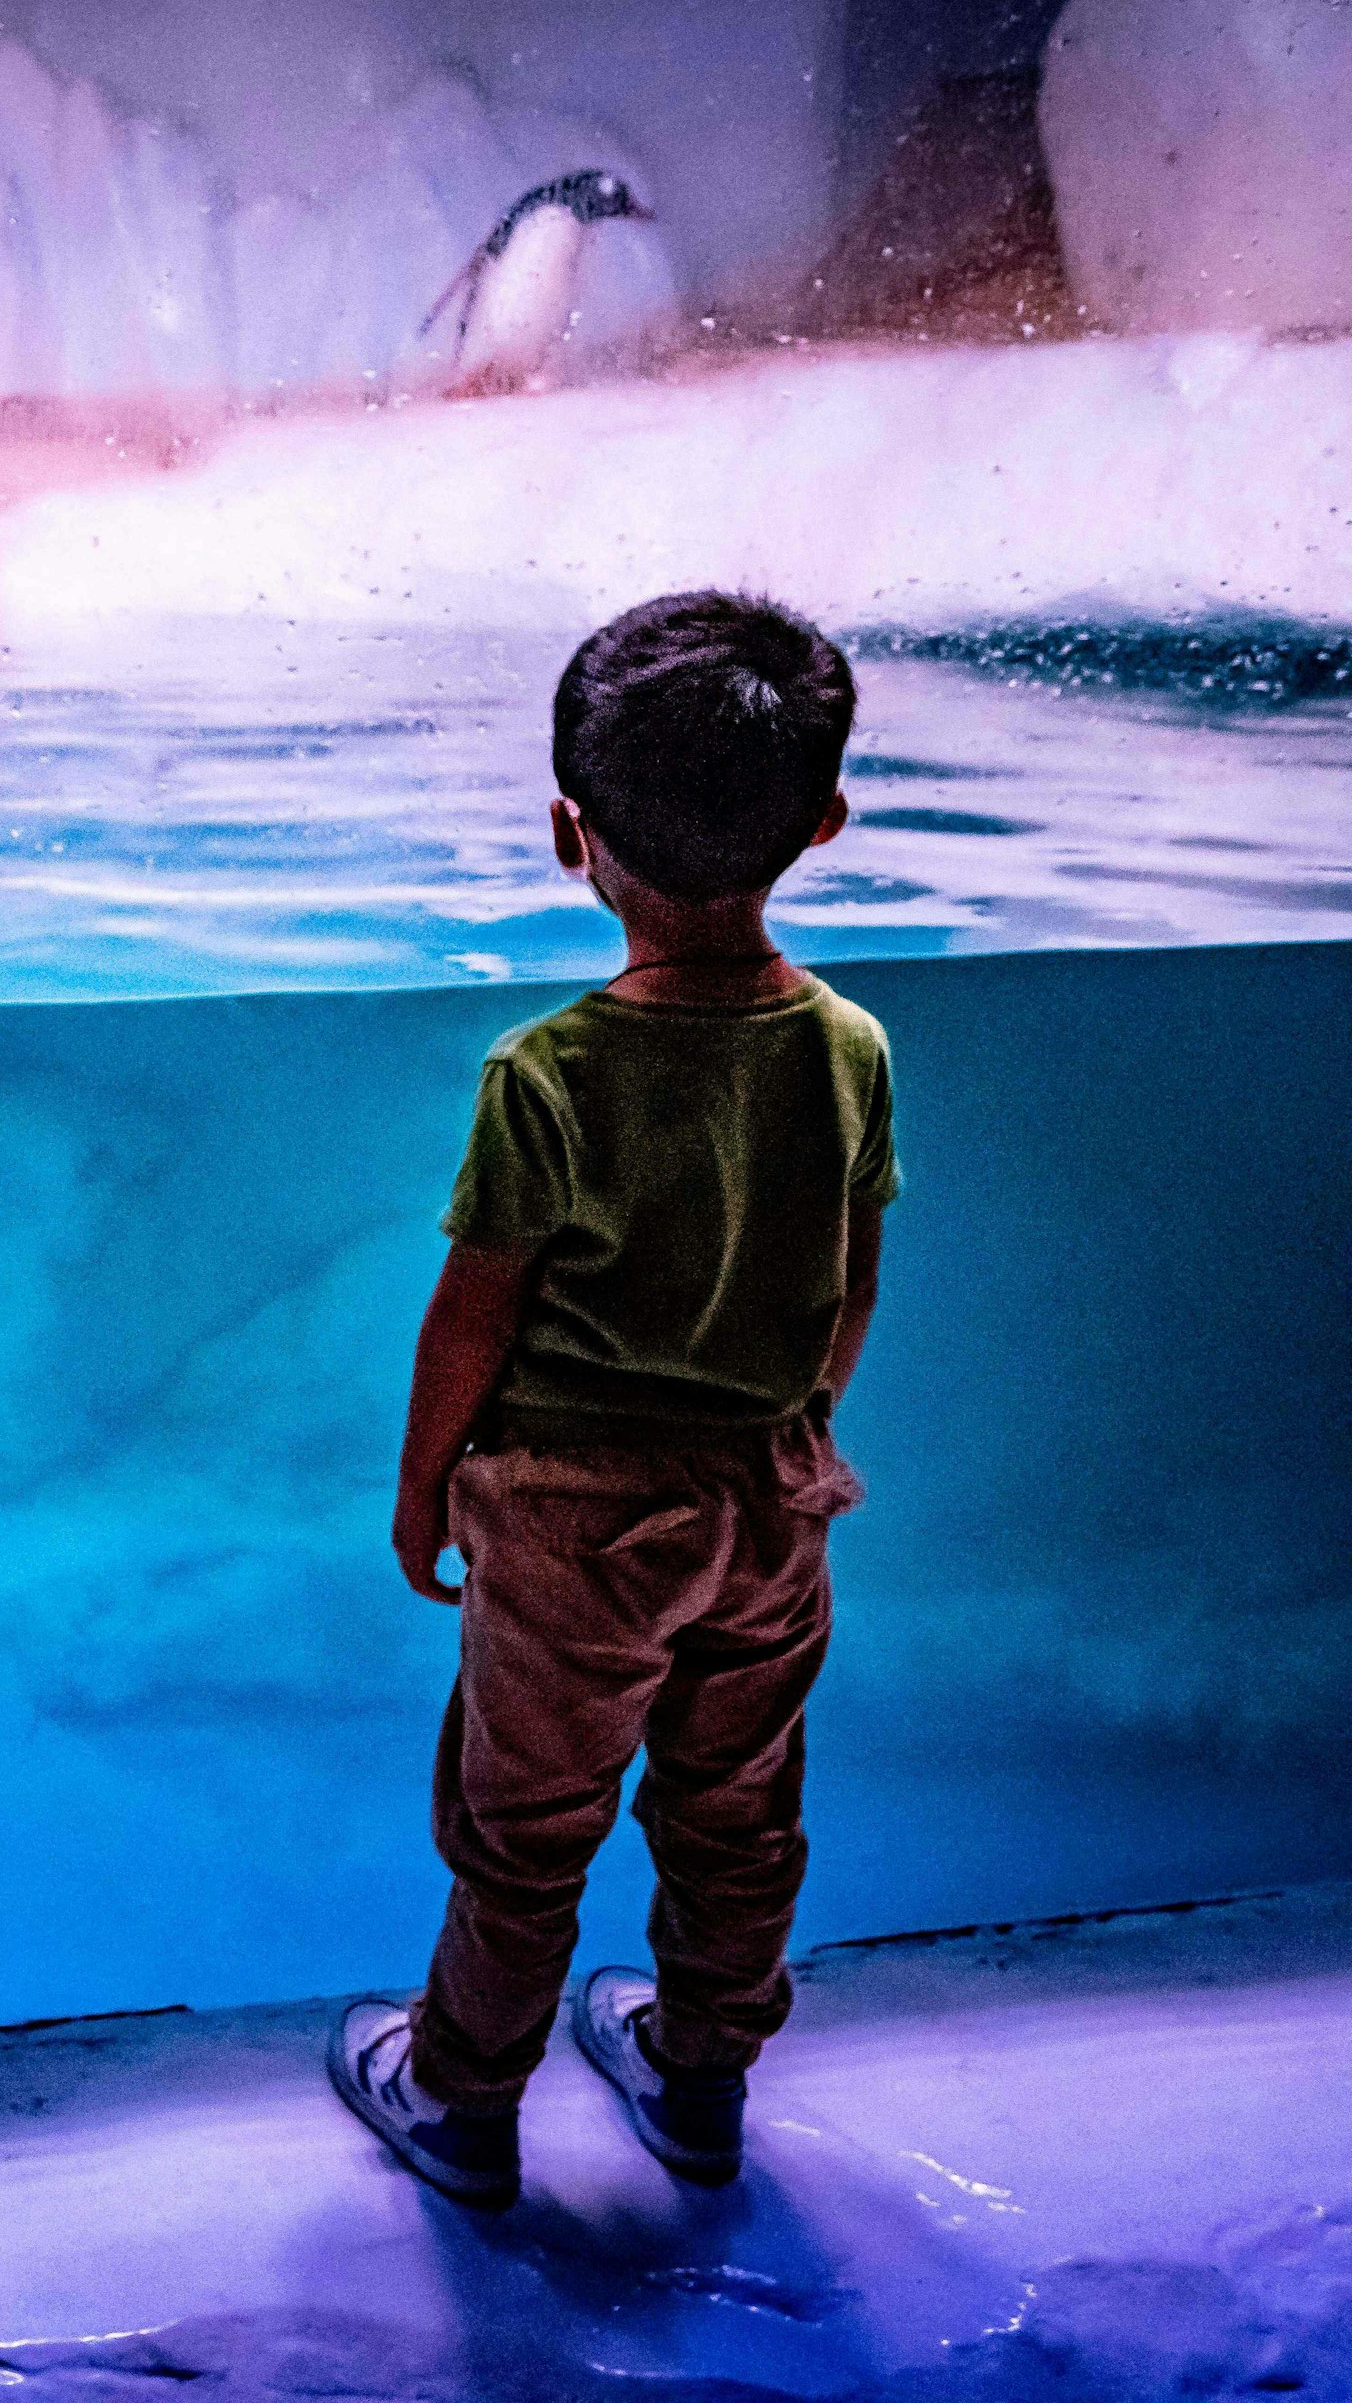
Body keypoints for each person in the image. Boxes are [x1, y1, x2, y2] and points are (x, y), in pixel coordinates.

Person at [327, 591, 899, 2209]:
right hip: (775, 1504)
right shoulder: (849, 1049)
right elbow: (848, 1280)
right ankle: (700, 2077)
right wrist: (798, 1433)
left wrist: (425, 1481)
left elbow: (473, 1314)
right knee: (738, 1809)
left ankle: (458, 2096)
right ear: (826, 820)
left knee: (528, 1823)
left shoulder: (549, 1074)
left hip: (574, 1526)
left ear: (571, 834)